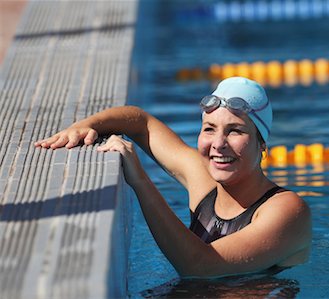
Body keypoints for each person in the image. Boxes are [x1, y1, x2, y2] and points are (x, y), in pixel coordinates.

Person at [35, 76, 311, 278]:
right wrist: (85, 126)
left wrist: (141, 182)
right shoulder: (204, 181)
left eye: (235, 131)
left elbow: (201, 266)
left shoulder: (286, 210)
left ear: (261, 144)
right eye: (209, 129)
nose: (218, 144)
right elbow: (141, 123)